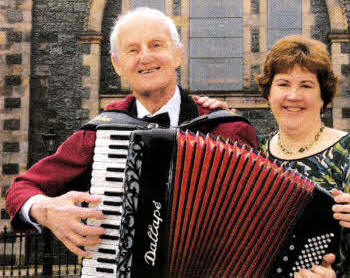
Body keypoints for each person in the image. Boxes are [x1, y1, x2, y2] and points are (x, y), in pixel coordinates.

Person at [5, 7, 257, 259]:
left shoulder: (226, 129)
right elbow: (21, 189)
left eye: (156, 45)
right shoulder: (101, 132)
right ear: (117, 64)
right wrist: (46, 209)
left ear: (178, 54)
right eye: (132, 50)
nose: (145, 58)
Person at [254, 35, 350, 278]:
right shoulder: (254, 154)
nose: (293, 96)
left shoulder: (346, 152)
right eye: (283, 84)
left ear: (323, 96)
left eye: (306, 85)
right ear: (269, 93)